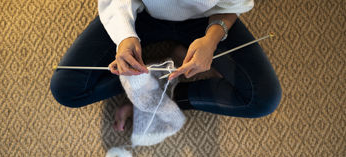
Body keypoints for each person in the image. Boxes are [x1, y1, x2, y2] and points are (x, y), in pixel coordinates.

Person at [50, 0, 281, 131]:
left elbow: (231, 5)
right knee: (66, 89)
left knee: (264, 99)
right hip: (142, 13)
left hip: (204, 22)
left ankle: (158, 94)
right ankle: (148, 85)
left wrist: (211, 39)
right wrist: (124, 37)